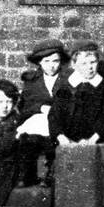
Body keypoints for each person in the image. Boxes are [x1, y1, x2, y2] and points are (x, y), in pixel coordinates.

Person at [49, 42, 104, 151]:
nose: (90, 67)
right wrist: (62, 138)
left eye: (93, 62)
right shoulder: (66, 87)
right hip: (67, 141)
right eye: (84, 63)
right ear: (74, 65)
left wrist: (93, 139)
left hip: (96, 140)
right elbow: (54, 116)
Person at [16, 38, 68, 186]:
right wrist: (40, 108)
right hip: (37, 120)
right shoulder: (32, 80)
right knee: (29, 139)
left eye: (55, 61)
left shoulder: (69, 78)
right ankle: (27, 174)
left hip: (60, 120)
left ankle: (51, 172)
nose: (51, 66)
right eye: (47, 61)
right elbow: (24, 106)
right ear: (39, 62)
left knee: (54, 139)